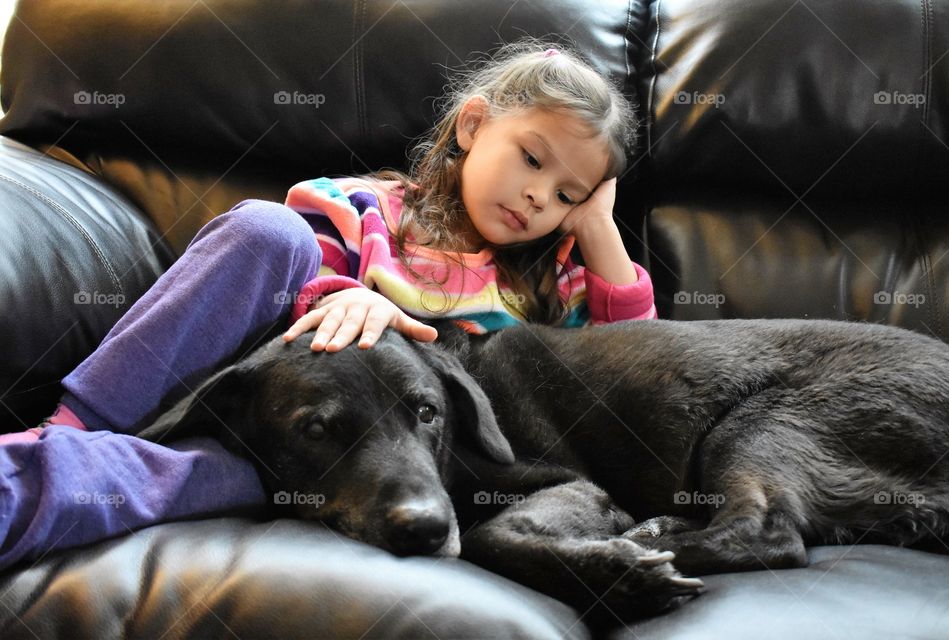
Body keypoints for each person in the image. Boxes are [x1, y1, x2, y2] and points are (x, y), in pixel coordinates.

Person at [0, 41, 656, 570]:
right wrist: (345, 295)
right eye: (531, 159)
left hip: (332, 466)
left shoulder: (546, 285)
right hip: (267, 393)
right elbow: (277, 288)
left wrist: (599, 229)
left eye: (568, 194)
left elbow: (632, 367)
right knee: (270, 234)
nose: (540, 196)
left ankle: (84, 482)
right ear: (474, 124)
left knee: (201, 476)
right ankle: (73, 428)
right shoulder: (361, 211)